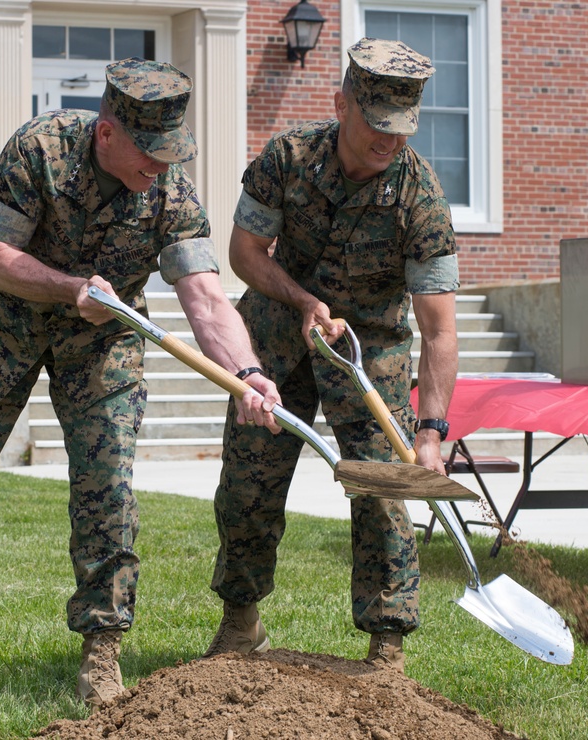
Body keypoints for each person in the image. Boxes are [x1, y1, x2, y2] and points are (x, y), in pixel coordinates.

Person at [0, 58, 280, 709]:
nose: (161, 166)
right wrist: (67, 288)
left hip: (100, 344)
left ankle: (102, 647)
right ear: (106, 133)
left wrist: (246, 372)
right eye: (150, 151)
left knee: (108, 486)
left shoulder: (169, 194)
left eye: (172, 153)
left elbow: (205, 297)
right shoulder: (39, 149)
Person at [203, 38, 459, 671]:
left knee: (382, 491)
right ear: (341, 104)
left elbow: (439, 332)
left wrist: (431, 433)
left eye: (401, 130)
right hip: (275, 334)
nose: (389, 142)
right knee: (248, 485)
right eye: (376, 126)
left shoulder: (422, 200)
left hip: (369, 350)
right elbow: (244, 253)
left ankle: (387, 649)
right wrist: (301, 299)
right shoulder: (287, 159)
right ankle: (241, 624)